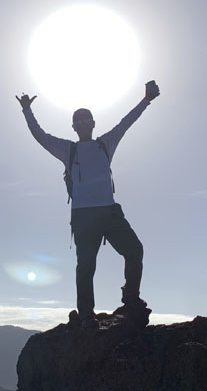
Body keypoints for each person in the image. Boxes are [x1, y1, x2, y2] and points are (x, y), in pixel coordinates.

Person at [16, 81, 160, 328]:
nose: (83, 124)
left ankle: (130, 298)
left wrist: (146, 100)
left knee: (134, 250)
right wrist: (27, 110)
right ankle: (86, 316)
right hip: (83, 216)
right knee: (86, 265)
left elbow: (126, 122)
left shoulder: (106, 143)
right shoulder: (67, 149)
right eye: (78, 121)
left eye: (86, 120)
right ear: (73, 127)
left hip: (109, 211)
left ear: (93, 124)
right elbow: (40, 136)